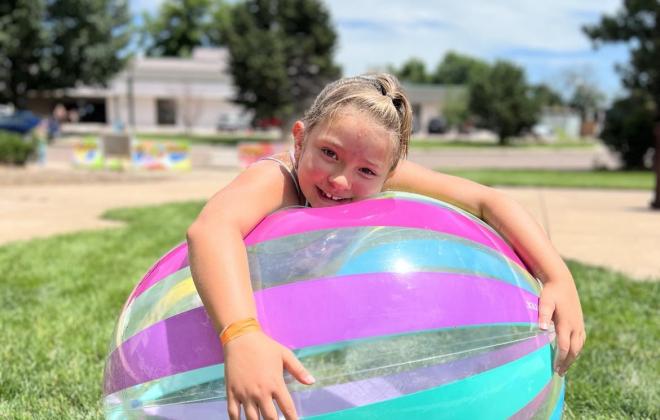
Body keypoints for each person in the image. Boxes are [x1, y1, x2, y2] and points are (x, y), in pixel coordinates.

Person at [186, 74, 585, 420]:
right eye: (328, 153)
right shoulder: (276, 179)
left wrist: (556, 276)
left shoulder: (380, 168)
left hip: (297, 321)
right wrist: (241, 335)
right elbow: (211, 231)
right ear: (300, 137)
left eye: (366, 171)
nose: (340, 180)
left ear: (389, 172)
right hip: (227, 309)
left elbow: (488, 201)